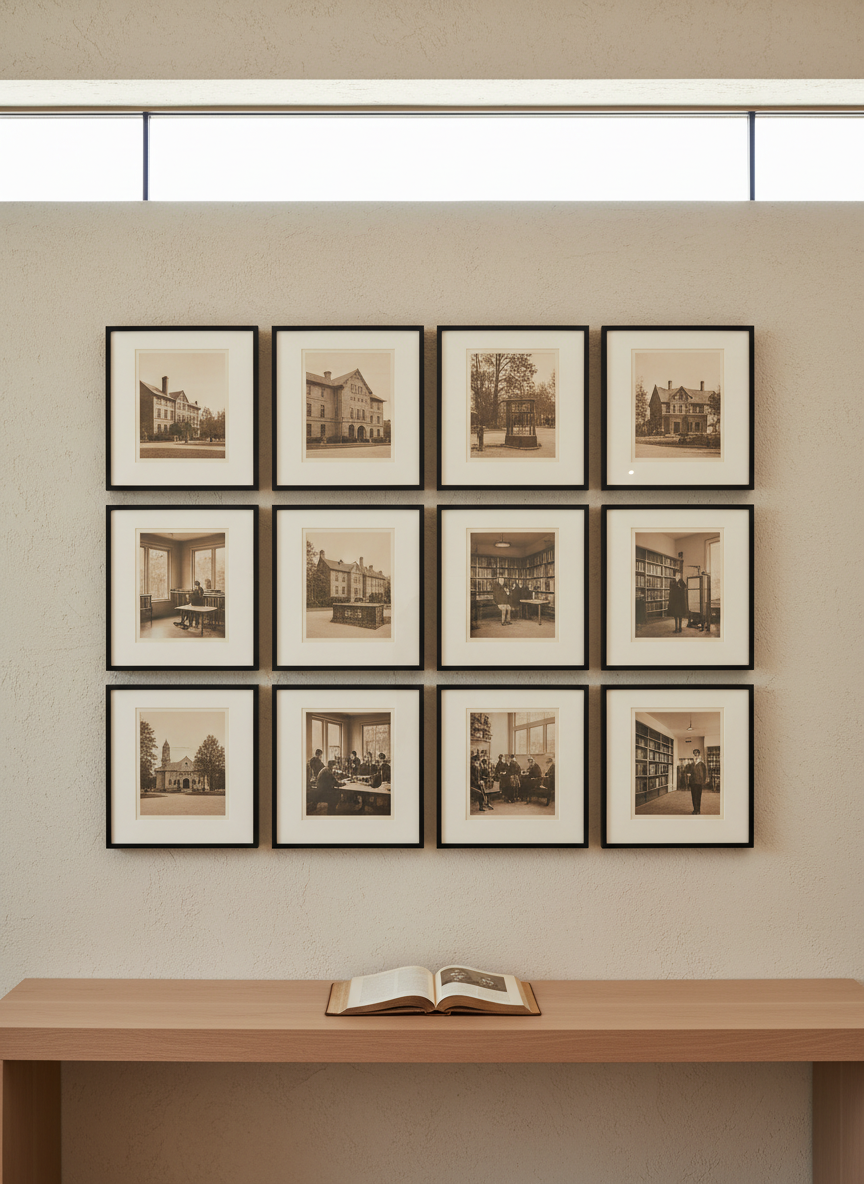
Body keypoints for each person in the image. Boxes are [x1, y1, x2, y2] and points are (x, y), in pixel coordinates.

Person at [690, 749, 708, 815]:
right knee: (694, 796)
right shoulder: (692, 764)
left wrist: (703, 782)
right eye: (695, 754)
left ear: (699, 755)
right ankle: (695, 809)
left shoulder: (702, 764)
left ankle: (698, 810)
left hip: (699, 783)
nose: (696, 756)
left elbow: (705, 773)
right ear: (693, 755)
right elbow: (690, 772)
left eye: (697, 754)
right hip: (693, 783)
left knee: (698, 796)